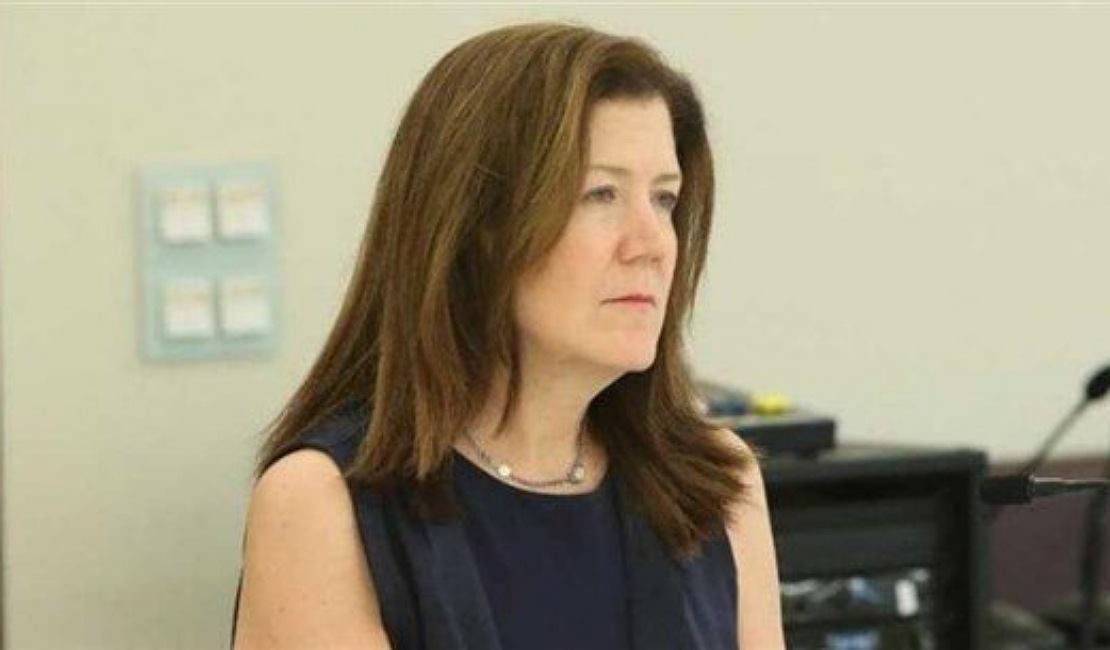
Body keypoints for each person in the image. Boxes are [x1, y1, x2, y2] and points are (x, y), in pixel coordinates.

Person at [231, 21, 785, 650]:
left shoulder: (717, 484)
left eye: (664, 199)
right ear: (475, 229)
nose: (653, 243)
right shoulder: (321, 503)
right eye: (600, 194)